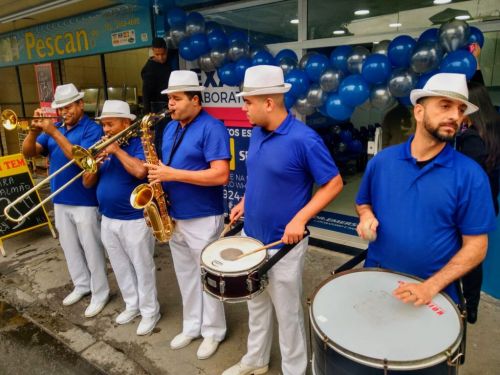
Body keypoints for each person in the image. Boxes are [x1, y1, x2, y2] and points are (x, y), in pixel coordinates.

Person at [224, 65, 343, 375]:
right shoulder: (256, 132)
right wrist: (245, 202)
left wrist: (300, 218)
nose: (243, 108)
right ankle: (256, 360)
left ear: (268, 103)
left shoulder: (305, 139)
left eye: (248, 102)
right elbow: (259, 175)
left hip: (284, 245)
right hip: (252, 237)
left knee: (287, 312)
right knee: (256, 303)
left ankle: (294, 370)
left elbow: (334, 183)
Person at [355, 73, 496, 308]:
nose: (455, 116)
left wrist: (430, 286)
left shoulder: (470, 175)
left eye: (461, 110)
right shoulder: (382, 162)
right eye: (445, 105)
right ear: (419, 112)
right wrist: (366, 215)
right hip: (376, 281)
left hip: (434, 295)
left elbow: (477, 246)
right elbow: (364, 202)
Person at [145, 70, 230, 359]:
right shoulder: (170, 128)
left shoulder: (213, 127)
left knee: (208, 276)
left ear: (196, 100)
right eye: (169, 99)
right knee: (185, 275)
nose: (170, 104)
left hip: (202, 216)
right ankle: (192, 325)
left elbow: (220, 175)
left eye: (176, 99)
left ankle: (213, 331)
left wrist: (172, 174)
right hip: (174, 214)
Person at [22, 83, 109, 318]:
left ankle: (100, 292)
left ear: (81, 104)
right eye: (60, 108)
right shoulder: (56, 128)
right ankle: (81, 285)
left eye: (68, 107)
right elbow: (28, 153)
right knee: (69, 247)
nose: (64, 112)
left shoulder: (92, 129)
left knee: (92, 248)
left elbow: (83, 160)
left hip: (85, 200)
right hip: (59, 198)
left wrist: (53, 132)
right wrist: (32, 131)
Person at [82, 100, 161, 335]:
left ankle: (150, 311)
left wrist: (116, 150)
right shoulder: (100, 147)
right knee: (119, 265)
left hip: (135, 218)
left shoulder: (139, 144)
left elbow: (140, 171)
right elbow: (87, 184)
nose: (105, 130)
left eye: (110, 124)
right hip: (107, 218)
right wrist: (92, 166)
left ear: (126, 123)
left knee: (142, 266)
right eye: (103, 125)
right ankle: (132, 305)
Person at [455, 80, 500, 323]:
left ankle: (463, 305)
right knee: (473, 255)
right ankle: (471, 307)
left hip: (468, 208)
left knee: (463, 256)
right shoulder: (493, 128)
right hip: (488, 205)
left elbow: (468, 180)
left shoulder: (470, 138)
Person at [141, 37, 171, 114]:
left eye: (163, 54)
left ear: (166, 50)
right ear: (153, 51)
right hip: (158, 107)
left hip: (170, 103)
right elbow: (146, 92)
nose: (160, 58)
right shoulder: (149, 68)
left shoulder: (169, 61)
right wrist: (147, 113)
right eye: (157, 54)